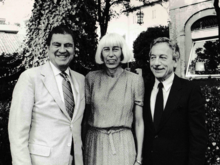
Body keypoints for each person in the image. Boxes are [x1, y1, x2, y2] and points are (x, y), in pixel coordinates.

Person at [8, 25, 85, 165]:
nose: (62, 50)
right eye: (57, 45)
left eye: (68, 45)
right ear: (48, 48)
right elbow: (17, 132)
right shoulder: (30, 78)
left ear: (74, 49)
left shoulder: (81, 80)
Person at [143, 37, 207, 165]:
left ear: (175, 61)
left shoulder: (190, 90)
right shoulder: (143, 89)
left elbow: (198, 138)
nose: (156, 63)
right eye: (153, 57)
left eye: (162, 57)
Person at [83, 33, 144, 165]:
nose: (111, 55)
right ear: (101, 53)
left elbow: (139, 122)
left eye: (115, 49)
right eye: (106, 49)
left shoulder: (135, 80)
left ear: (122, 53)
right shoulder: (91, 78)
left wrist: (139, 158)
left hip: (123, 143)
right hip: (95, 143)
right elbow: (84, 118)